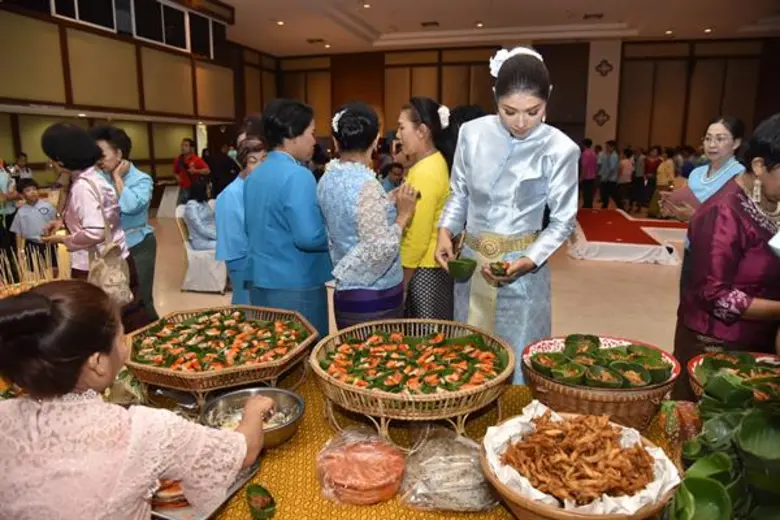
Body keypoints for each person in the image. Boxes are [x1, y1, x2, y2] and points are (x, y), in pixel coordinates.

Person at [0, 280, 274, 518]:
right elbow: (243, 451)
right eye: (122, 338)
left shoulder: (5, 416)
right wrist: (254, 409)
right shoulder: (144, 431)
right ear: (97, 363)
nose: (126, 348)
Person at [435, 47, 580, 384]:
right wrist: (445, 231)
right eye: (509, 111)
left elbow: (562, 221)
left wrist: (529, 261)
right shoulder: (472, 133)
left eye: (533, 111)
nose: (521, 122)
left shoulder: (560, 149)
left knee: (517, 366)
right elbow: (460, 193)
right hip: (472, 265)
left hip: (523, 270)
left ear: (548, 98)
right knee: (468, 360)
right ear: (494, 98)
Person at [673, 113, 780, 400]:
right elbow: (716, 296)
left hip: (762, 343)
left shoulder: (773, 201)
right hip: (717, 351)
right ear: (759, 166)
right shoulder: (723, 213)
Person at [39, 123, 149, 332]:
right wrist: (62, 222)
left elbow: (96, 231)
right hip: (115, 256)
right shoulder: (94, 177)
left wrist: (65, 240)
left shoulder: (83, 186)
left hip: (96, 265)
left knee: (104, 324)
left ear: (61, 160)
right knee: (125, 317)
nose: (52, 164)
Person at [318, 103, 419, 329]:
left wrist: (387, 200)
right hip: (374, 296)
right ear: (375, 141)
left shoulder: (328, 177)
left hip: (346, 290)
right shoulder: (366, 184)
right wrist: (403, 216)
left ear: (336, 141)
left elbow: (353, 214)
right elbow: (379, 250)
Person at [244, 99, 332, 336]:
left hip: (260, 283)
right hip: (296, 285)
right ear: (293, 134)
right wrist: (338, 233)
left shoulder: (254, 176)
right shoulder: (298, 175)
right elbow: (309, 238)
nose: (314, 141)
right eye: (311, 133)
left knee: (273, 348)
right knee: (305, 350)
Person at [90, 125, 159, 322]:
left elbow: (129, 206)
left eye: (102, 155)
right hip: (111, 247)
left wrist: (118, 178)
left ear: (119, 153)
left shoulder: (141, 179)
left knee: (139, 298)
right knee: (113, 301)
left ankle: (152, 334)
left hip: (138, 244)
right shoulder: (99, 178)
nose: (98, 160)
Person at [397, 96, 456, 319]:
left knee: (424, 335)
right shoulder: (433, 162)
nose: (398, 135)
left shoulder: (425, 172)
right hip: (430, 265)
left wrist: (404, 281)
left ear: (421, 131)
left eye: (402, 127)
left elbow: (418, 236)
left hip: (423, 269)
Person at [216, 136, 266, 305]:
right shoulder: (229, 195)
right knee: (246, 307)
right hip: (243, 262)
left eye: (263, 160)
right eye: (253, 161)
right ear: (242, 163)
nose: (260, 166)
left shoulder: (261, 187)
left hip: (262, 261)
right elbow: (234, 240)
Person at [10, 178, 58, 270]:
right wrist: (19, 250)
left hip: (49, 242)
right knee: (37, 270)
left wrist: (54, 231)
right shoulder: (21, 212)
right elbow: (18, 233)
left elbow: (57, 221)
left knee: (54, 269)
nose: (33, 192)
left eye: (34, 189)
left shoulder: (48, 206)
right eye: (28, 190)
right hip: (32, 244)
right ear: (21, 195)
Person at [173, 138, 210, 205]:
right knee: (181, 207)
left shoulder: (196, 159)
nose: (183, 147)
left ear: (191, 148)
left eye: (186, 145)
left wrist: (196, 171)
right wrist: (177, 177)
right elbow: (176, 172)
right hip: (182, 188)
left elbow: (207, 171)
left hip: (194, 188)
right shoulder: (178, 160)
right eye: (182, 145)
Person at [183, 183, 217, 251]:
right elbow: (200, 228)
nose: (209, 191)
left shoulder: (204, 203)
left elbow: (212, 221)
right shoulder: (191, 206)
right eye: (208, 189)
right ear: (201, 191)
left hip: (212, 236)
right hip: (202, 241)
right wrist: (218, 236)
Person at [649, 147, 676, 217]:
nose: (662, 154)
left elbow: (670, 174)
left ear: (667, 154)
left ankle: (663, 214)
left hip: (665, 184)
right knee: (658, 199)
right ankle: (657, 213)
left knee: (662, 200)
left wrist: (671, 186)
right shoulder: (664, 162)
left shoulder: (669, 162)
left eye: (664, 153)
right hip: (660, 183)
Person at [598, 140, 620, 209]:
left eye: (607, 147)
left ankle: (622, 209)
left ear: (612, 147)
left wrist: (606, 178)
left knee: (614, 196)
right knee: (604, 195)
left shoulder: (614, 156)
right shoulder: (608, 155)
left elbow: (611, 169)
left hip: (610, 179)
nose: (606, 148)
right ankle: (604, 207)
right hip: (606, 179)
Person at [580, 138, 598, 209]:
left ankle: (586, 206)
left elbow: (584, 166)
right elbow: (596, 166)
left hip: (586, 176)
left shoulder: (585, 154)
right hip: (593, 176)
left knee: (586, 193)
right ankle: (589, 206)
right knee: (590, 193)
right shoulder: (594, 153)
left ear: (584, 145)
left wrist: (581, 177)